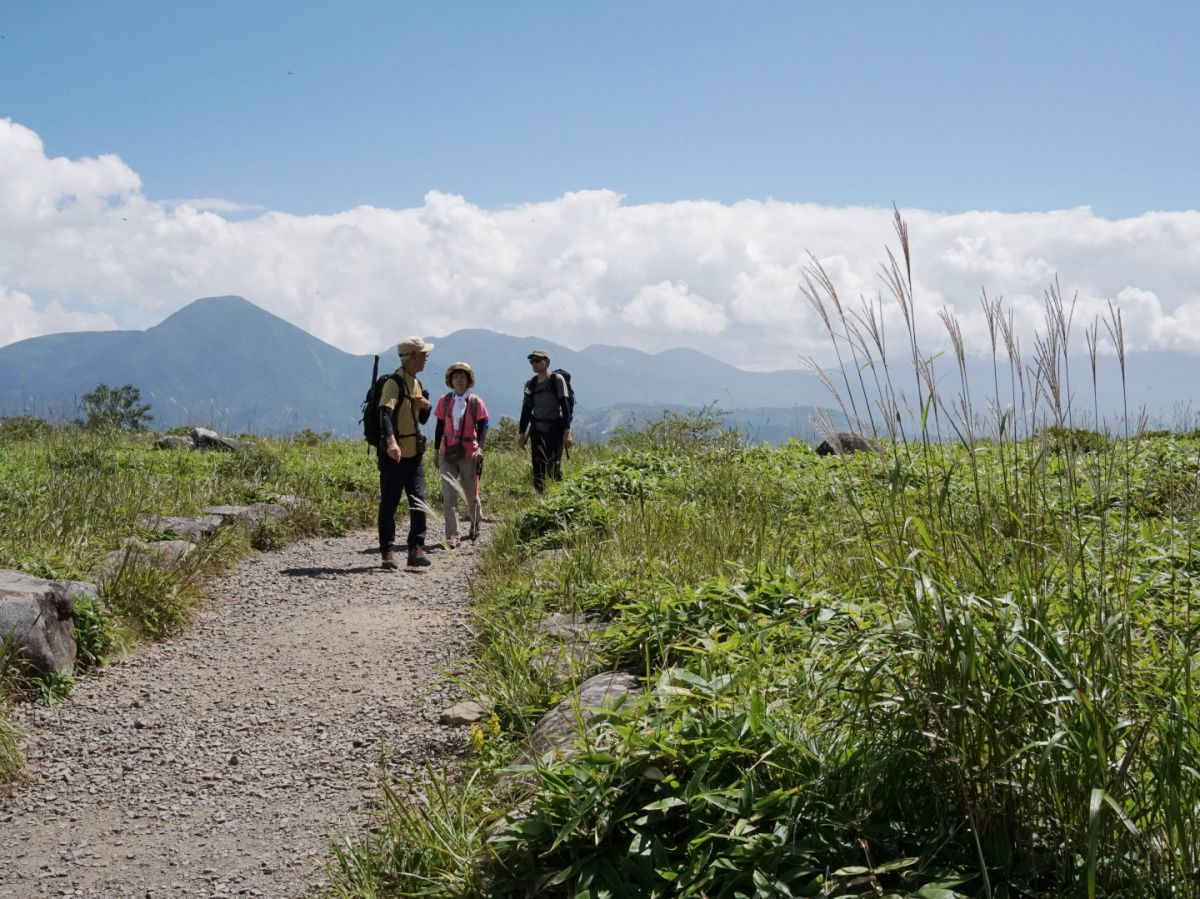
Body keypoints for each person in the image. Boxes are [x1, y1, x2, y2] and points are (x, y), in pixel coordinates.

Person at [377, 336, 434, 569]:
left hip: (414, 454)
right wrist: (391, 443)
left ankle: (416, 550)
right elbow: (384, 414)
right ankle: (388, 552)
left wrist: (425, 407)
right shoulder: (394, 383)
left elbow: (420, 418)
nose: (426, 357)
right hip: (394, 455)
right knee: (389, 503)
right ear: (412, 356)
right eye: (423, 354)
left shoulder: (417, 383)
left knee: (418, 501)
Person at [433, 362, 490, 548]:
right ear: (451, 380)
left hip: (468, 452)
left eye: (462, 377)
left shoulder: (475, 402)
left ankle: (475, 521)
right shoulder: (445, 401)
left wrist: (480, 447)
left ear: (468, 380)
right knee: (449, 495)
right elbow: (439, 426)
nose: (458, 379)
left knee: (470, 491)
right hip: (447, 451)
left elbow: (483, 425)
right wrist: (435, 451)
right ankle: (452, 535)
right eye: (455, 377)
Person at [518, 348, 573, 492]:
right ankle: (540, 498)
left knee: (553, 466)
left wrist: (567, 432)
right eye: (532, 361)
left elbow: (565, 406)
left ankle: (559, 495)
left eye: (537, 360)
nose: (534, 364)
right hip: (537, 429)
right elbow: (526, 409)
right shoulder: (531, 384)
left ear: (547, 362)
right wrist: (522, 433)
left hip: (555, 428)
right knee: (538, 465)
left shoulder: (557, 380)